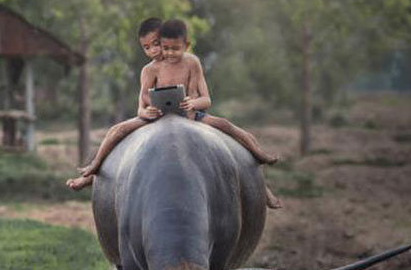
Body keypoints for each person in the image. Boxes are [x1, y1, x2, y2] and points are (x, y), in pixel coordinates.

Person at [66, 18, 281, 209]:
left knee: (228, 127)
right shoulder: (149, 70)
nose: (155, 51)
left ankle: (261, 168)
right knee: (117, 130)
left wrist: (193, 103)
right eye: (146, 47)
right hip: (155, 119)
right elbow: (140, 106)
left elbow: (206, 99)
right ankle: (92, 171)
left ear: (177, 43)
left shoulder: (191, 62)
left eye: (157, 44)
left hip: (191, 116)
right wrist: (146, 112)